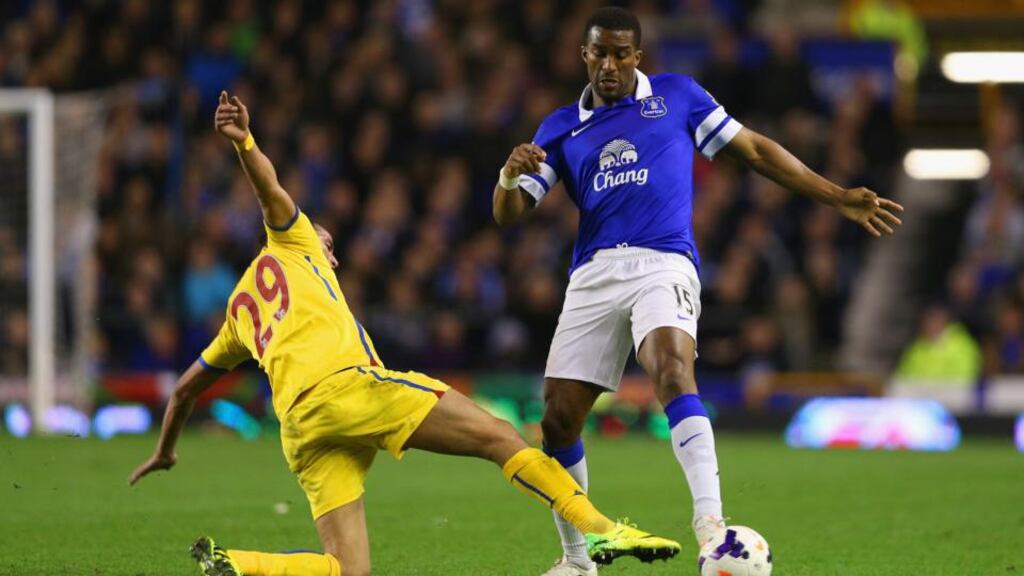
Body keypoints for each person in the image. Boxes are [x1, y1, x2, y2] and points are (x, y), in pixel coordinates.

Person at [128, 91, 682, 576]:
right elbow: (269, 190)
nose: (332, 250)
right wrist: (244, 143)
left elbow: (185, 390)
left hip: (298, 431)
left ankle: (236, 564)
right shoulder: (291, 240)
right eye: (328, 242)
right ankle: (603, 528)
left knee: (350, 569)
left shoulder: (237, 314)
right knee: (498, 436)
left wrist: (166, 450)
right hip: (345, 389)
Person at [492, 7, 904, 576]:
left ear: (638, 56)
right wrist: (509, 176)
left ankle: (712, 530)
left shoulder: (678, 96)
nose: (608, 64)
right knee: (558, 419)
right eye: (598, 53)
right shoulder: (560, 127)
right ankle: (576, 560)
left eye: (620, 53)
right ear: (583, 55)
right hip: (591, 273)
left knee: (671, 367)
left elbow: (755, 150)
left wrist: (835, 196)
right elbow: (509, 215)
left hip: (663, 260)